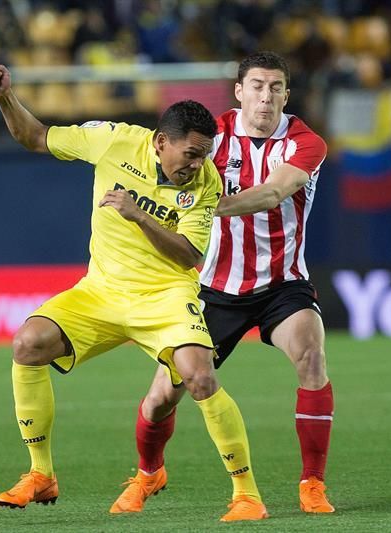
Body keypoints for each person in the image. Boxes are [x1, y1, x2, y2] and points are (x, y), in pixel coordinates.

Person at [0, 63, 268, 522]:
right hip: (102, 291)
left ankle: (247, 495)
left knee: (199, 376)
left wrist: (140, 216)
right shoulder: (113, 140)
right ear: (161, 142)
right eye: (191, 154)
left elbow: (188, 256)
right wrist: (5, 98)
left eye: (204, 155)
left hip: (165, 294)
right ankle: (40, 473)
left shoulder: (206, 182)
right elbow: (35, 137)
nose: (197, 165)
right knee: (28, 343)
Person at [118, 51, 335, 515]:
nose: (266, 96)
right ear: (239, 92)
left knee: (312, 355)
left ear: (287, 95)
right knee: (160, 398)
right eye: (257, 86)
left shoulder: (305, 143)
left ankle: (313, 484)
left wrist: (206, 205)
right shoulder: (211, 138)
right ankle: (149, 471)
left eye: (275, 87)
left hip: (283, 284)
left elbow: (273, 192)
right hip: (214, 288)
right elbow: (169, 170)